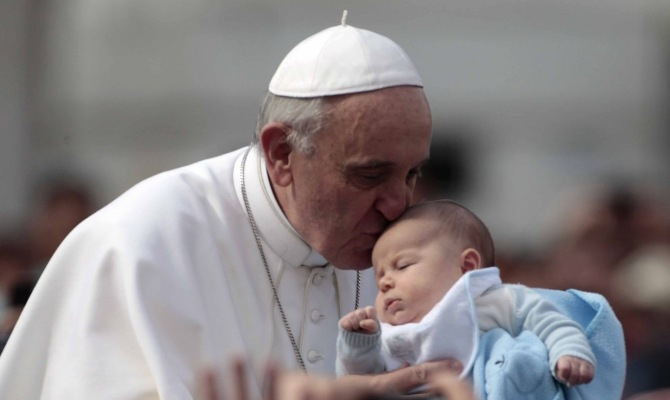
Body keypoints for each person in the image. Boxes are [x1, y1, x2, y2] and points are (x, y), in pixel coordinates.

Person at [0, 13, 460, 399]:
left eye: (412, 174)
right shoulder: (140, 245)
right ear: (282, 154)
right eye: (369, 175)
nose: (399, 206)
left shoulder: (411, 254)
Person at [336, 200, 596, 393]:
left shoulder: (492, 302)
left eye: (402, 266)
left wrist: (569, 353)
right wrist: (359, 343)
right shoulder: (390, 333)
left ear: (467, 266)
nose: (385, 283)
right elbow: (364, 383)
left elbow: (551, 322)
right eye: (379, 278)